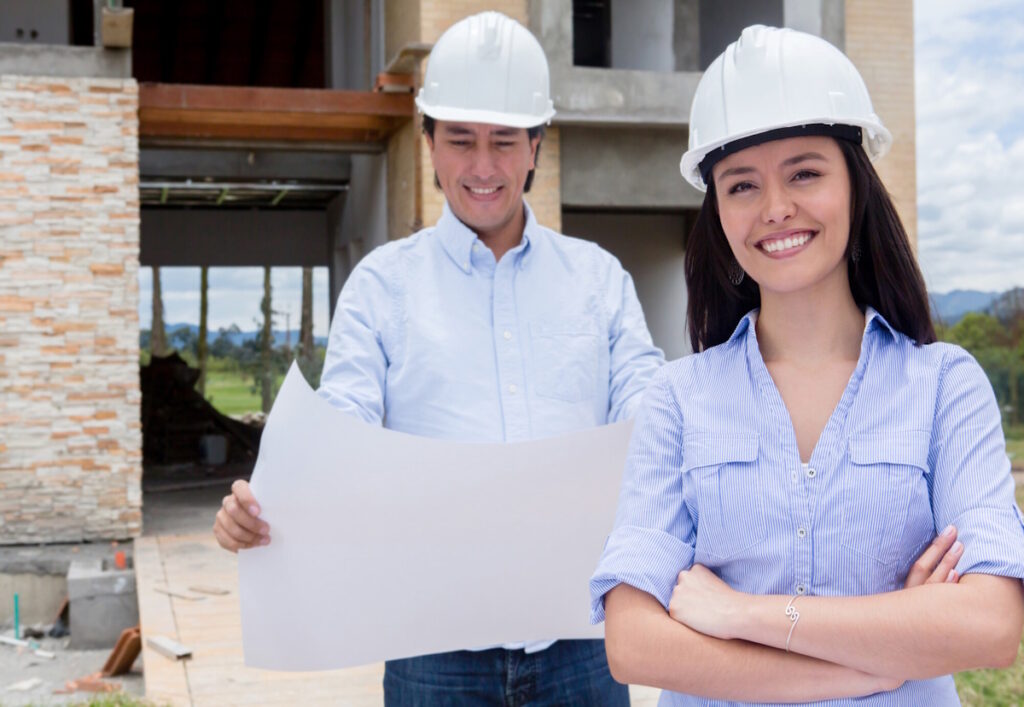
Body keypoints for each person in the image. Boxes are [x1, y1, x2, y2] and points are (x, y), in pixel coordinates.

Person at [213, 11, 664, 706]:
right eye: (460, 140)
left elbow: (649, 414)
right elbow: (341, 435)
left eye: (504, 142)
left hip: (583, 642)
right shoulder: (383, 286)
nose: (483, 167)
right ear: (429, 144)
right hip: (434, 654)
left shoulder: (597, 281)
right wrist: (267, 505)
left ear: (536, 146)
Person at [589, 24, 1024, 706]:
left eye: (805, 173)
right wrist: (874, 662)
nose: (775, 209)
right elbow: (634, 642)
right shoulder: (678, 397)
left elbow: (991, 623)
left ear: (855, 183)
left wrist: (743, 614)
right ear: (718, 213)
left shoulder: (944, 385)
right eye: (741, 186)